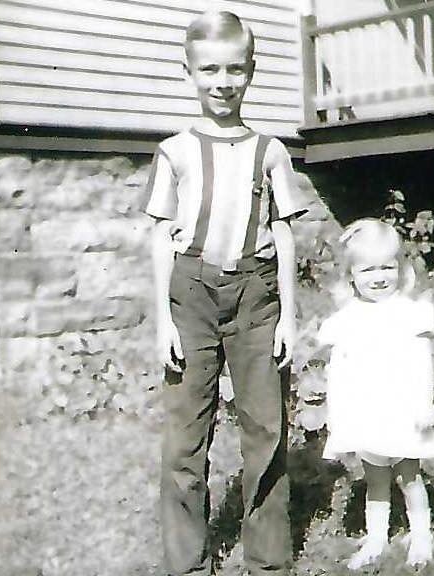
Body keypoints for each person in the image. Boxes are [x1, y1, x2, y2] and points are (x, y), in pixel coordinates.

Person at [143, 11, 307, 576]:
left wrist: (289, 315)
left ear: (251, 72)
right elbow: (161, 236)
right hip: (190, 293)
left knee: (265, 428)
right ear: (188, 72)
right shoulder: (175, 151)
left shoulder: (271, 150)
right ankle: (187, 561)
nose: (222, 81)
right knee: (186, 434)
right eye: (209, 69)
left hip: (257, 295)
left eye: (235, 69)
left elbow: (284, 232)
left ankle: (267, 560)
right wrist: (163, 320)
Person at [318, 218, 434, 569]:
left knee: (409, 475)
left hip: (403, 408)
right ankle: (376, 538)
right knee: (374, 478)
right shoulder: (348, 317)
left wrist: (423, 406)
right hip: (367, 410)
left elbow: (421, 366)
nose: (378, 277)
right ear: (351, 276)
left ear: (400, 269)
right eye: (367, 270)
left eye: (387, 267)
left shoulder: (409, 314)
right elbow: (339, 368)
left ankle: (421, 536)